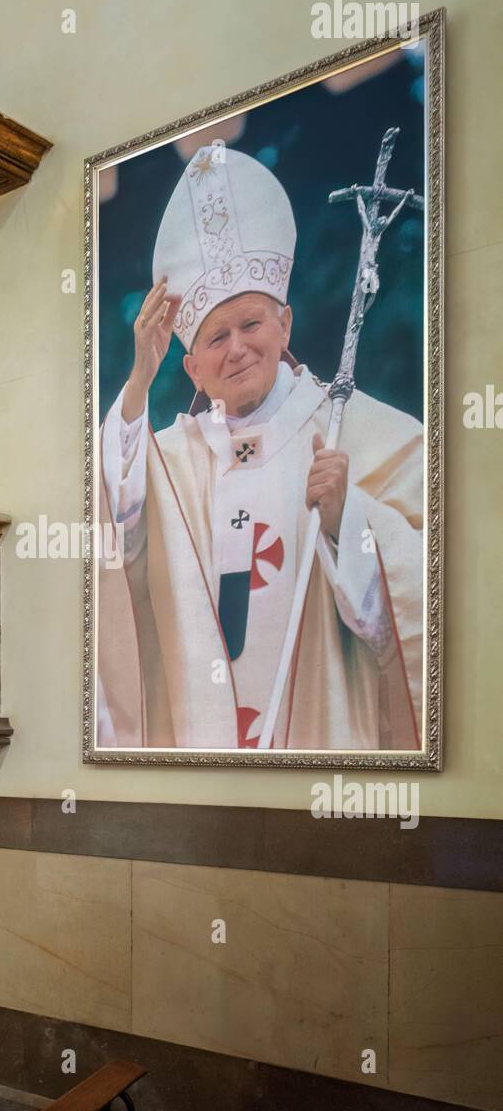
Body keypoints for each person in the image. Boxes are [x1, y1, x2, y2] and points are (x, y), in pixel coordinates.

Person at [97, 144, 423, 751]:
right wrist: (138, 382)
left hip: (323, 747)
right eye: (216, 336)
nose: (237, 348)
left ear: (286, 327)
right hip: (202, 748)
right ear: (192, 368)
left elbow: (430, 600)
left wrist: (347, 522)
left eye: (251, 324)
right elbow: (113, 536)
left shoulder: (358, 430)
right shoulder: (170, 461)